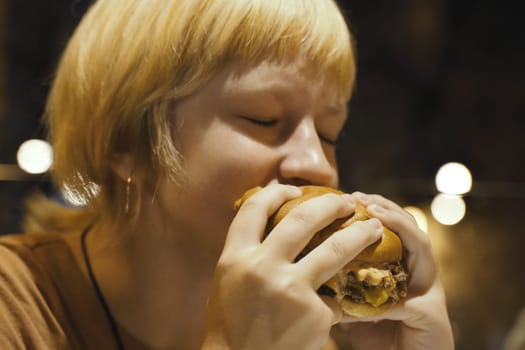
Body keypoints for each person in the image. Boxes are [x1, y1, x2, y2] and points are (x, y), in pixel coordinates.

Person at [0, 0, 454, 349]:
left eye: (330, 133)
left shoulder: (312, 331)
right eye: (262, 118)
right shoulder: (17, 309)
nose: (317, 164)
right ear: (126, 141)